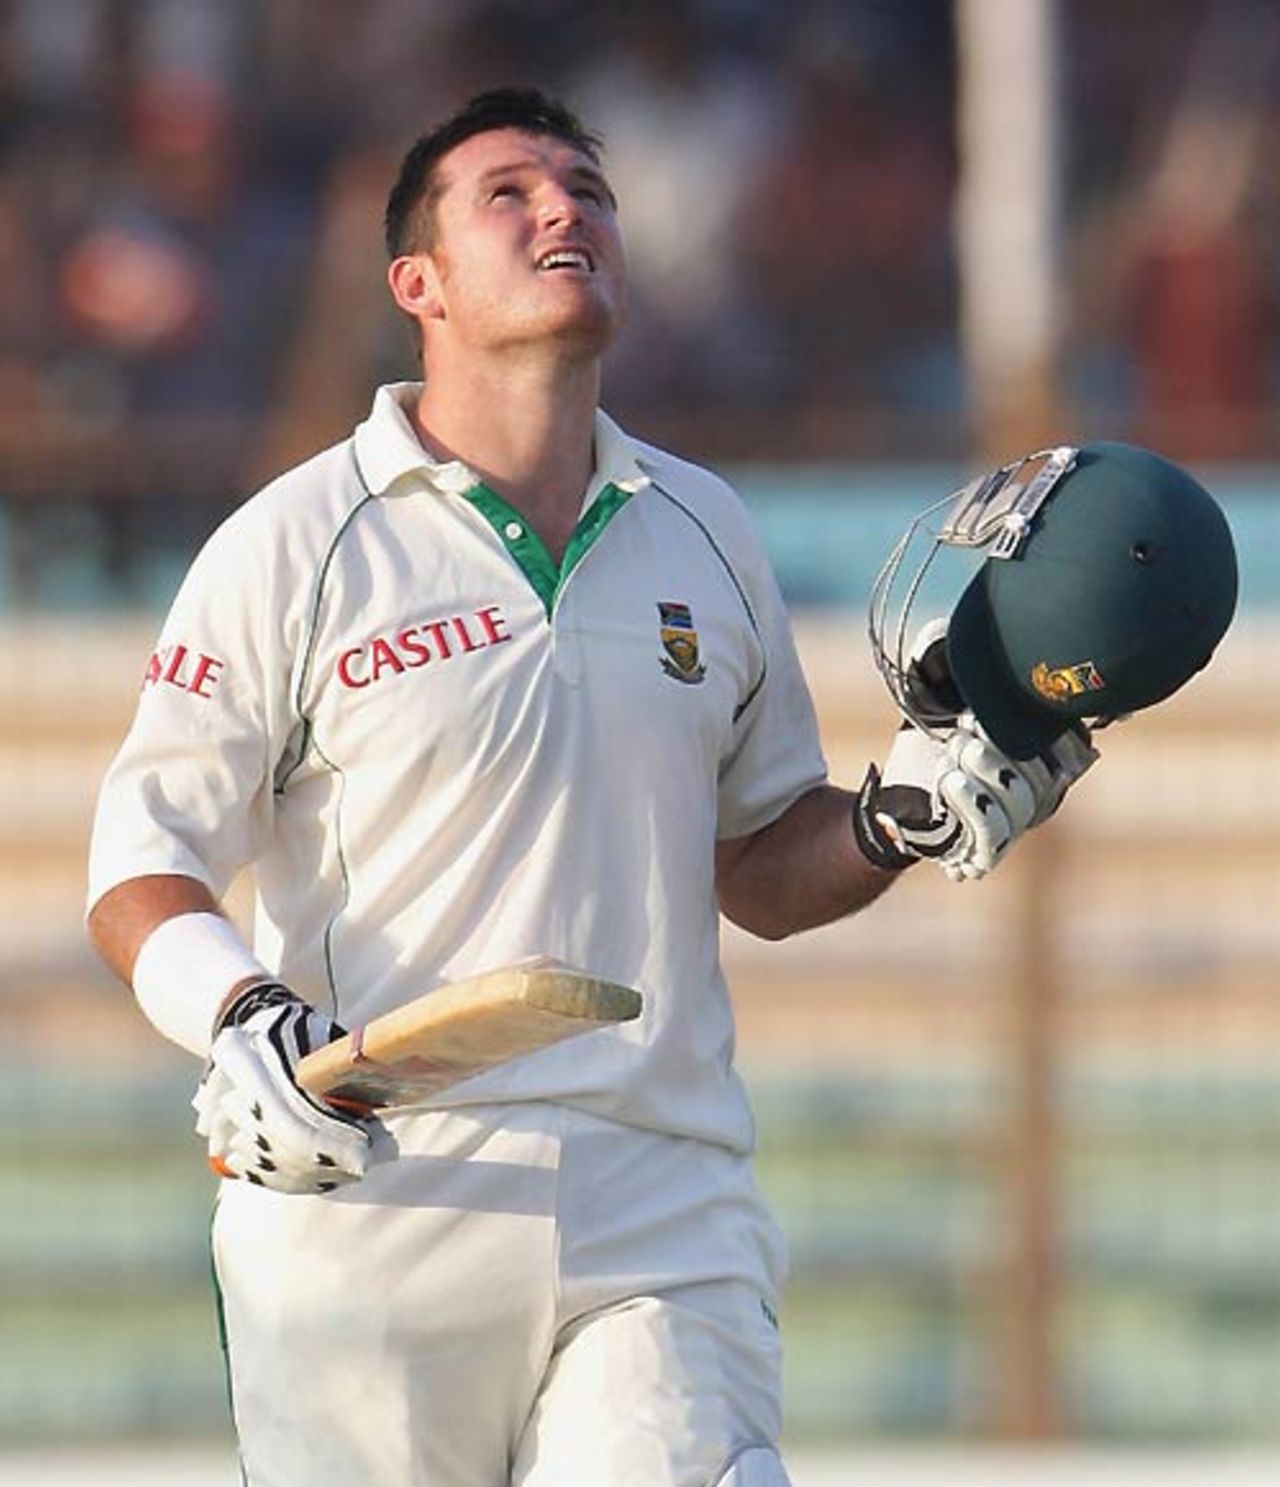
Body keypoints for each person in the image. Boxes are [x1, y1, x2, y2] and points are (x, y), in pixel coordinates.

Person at [86, 87, 1085, 1487]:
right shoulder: (296, 543)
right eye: (511, 191)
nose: (567, 209)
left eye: (589, 188)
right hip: (377, 1193)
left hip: (660, 1193)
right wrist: (240, 1019)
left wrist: (889, 821)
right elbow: (140, 870)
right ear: (415, 284)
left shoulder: (705, 530)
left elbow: (762, 868)